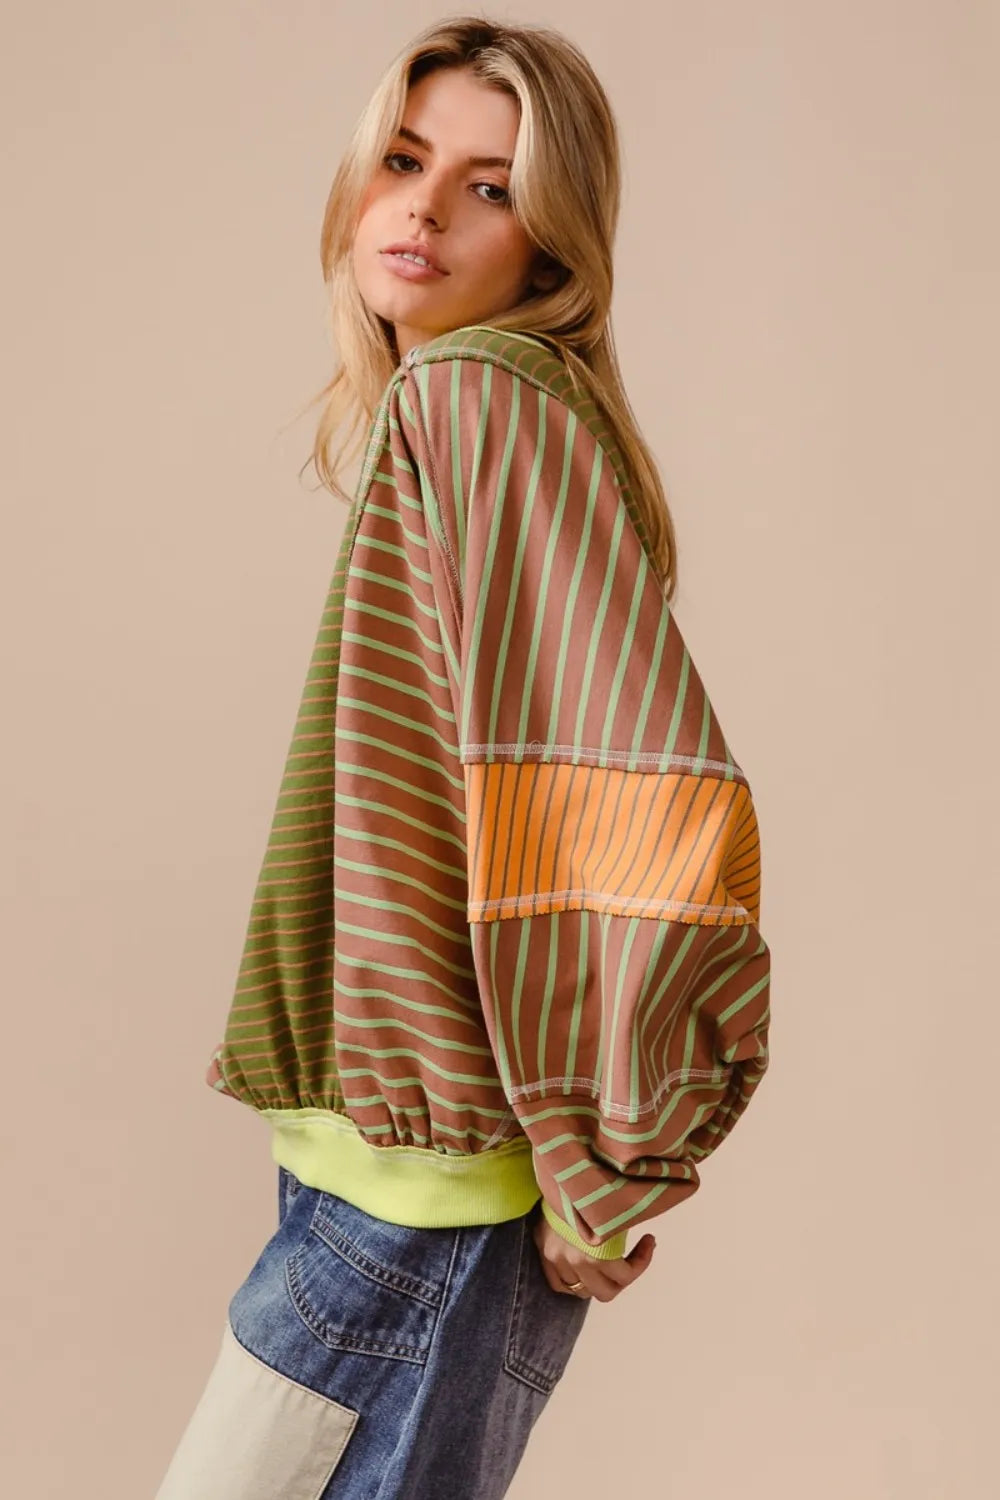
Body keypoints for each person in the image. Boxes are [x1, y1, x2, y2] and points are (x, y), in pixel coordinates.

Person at [155, 16, 771, 1500]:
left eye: (490, 188)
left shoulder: (475, 398)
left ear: (552, 244)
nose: (424, 210)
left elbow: (624, 788)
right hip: (399, 1173)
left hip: (427, 1192)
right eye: (402, 160)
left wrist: (607, 1155)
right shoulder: (476, 410)